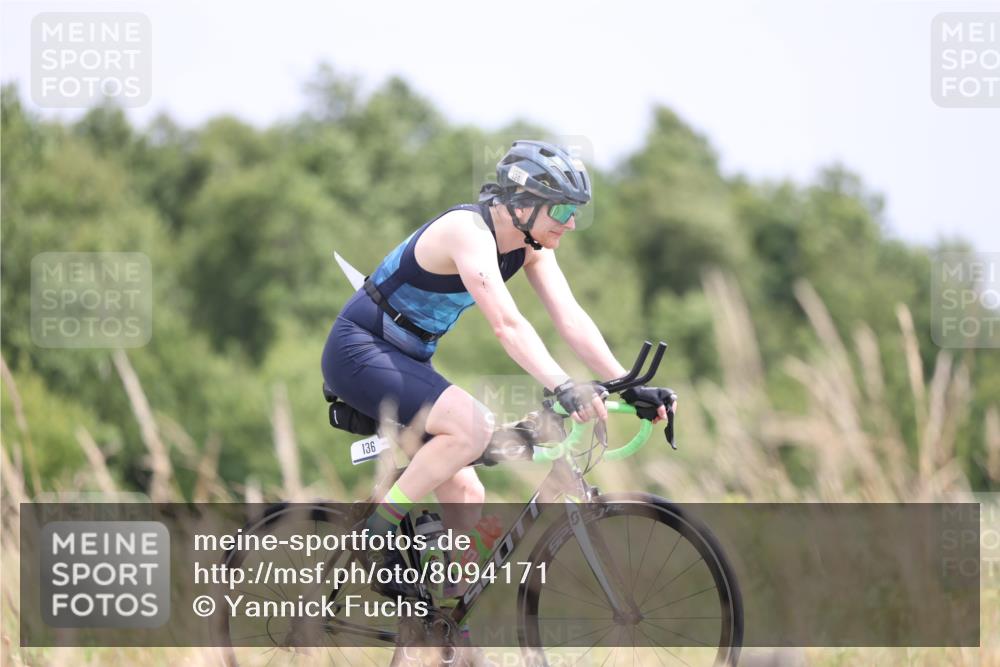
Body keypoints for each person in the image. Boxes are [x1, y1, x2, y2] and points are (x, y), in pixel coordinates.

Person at [320, 139, 677, 590]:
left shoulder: (532, 246)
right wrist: (564, 384)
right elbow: (508, 326)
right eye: (562, 211)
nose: (570, 224)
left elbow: (570, 319)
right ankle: (374, 536)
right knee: (473, 427)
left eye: (575, 212)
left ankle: (439, 625)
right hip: (359, 350)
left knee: (467, 494)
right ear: (523, 204)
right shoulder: (466, 231)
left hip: (406, 358)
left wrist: (626, 384)